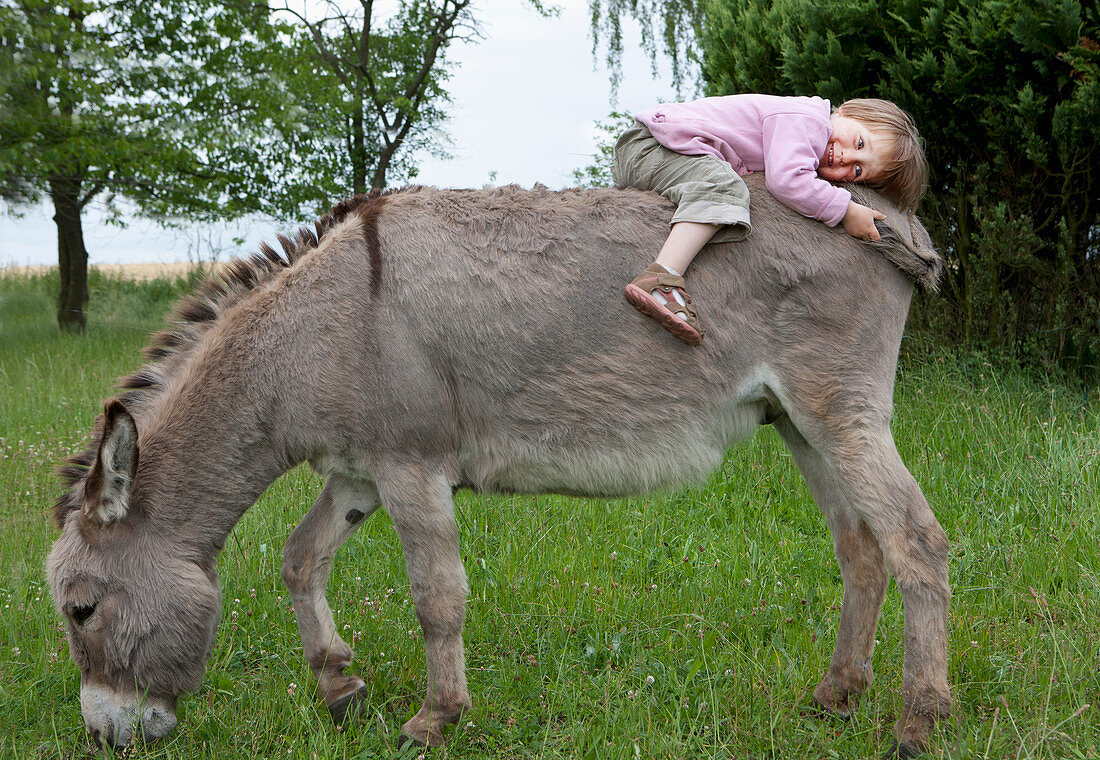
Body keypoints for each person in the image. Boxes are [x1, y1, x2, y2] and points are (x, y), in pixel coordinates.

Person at [615, 94, 928, 346]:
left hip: (669, 149)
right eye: (859, 143)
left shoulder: (809, 130)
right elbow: (786, 182)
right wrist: (845, 210)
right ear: (847, 111)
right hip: (652, 146)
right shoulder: (807, 121)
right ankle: (661, 278)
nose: (847, 158)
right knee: (723, 191)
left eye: (858, 172)